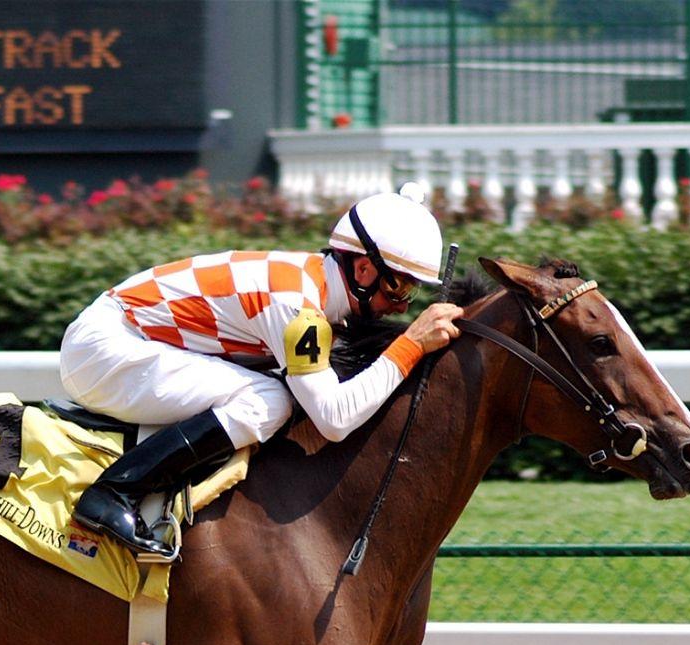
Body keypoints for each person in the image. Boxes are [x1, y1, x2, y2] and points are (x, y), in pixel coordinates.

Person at [61, 183, 464, 557]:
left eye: (411, 292)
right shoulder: (296, 308)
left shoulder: (312, 293)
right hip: (104, 350)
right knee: (270, 399)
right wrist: (410, 345)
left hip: (123, 342)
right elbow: (335, 419)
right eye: (398, 287)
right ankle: (114, 492)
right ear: (363, 270)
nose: (401, 306)